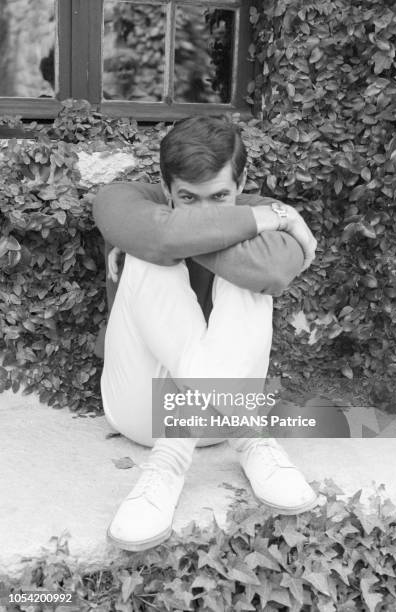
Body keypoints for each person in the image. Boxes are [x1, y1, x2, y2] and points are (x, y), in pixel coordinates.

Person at [92, 115, 319, 552]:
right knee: (147, 255)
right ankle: (222, 445)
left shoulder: (258, 210)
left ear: (243, 180)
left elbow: (271, 269)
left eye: (219, 196)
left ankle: (172, 462)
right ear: (164, 183)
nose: (206, 210)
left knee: (247, 275)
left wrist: (173, 236)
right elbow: (153, 235)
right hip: (142, 409)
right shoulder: (125, 200)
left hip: (224, 417)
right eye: (187, 199)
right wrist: (277, 217)